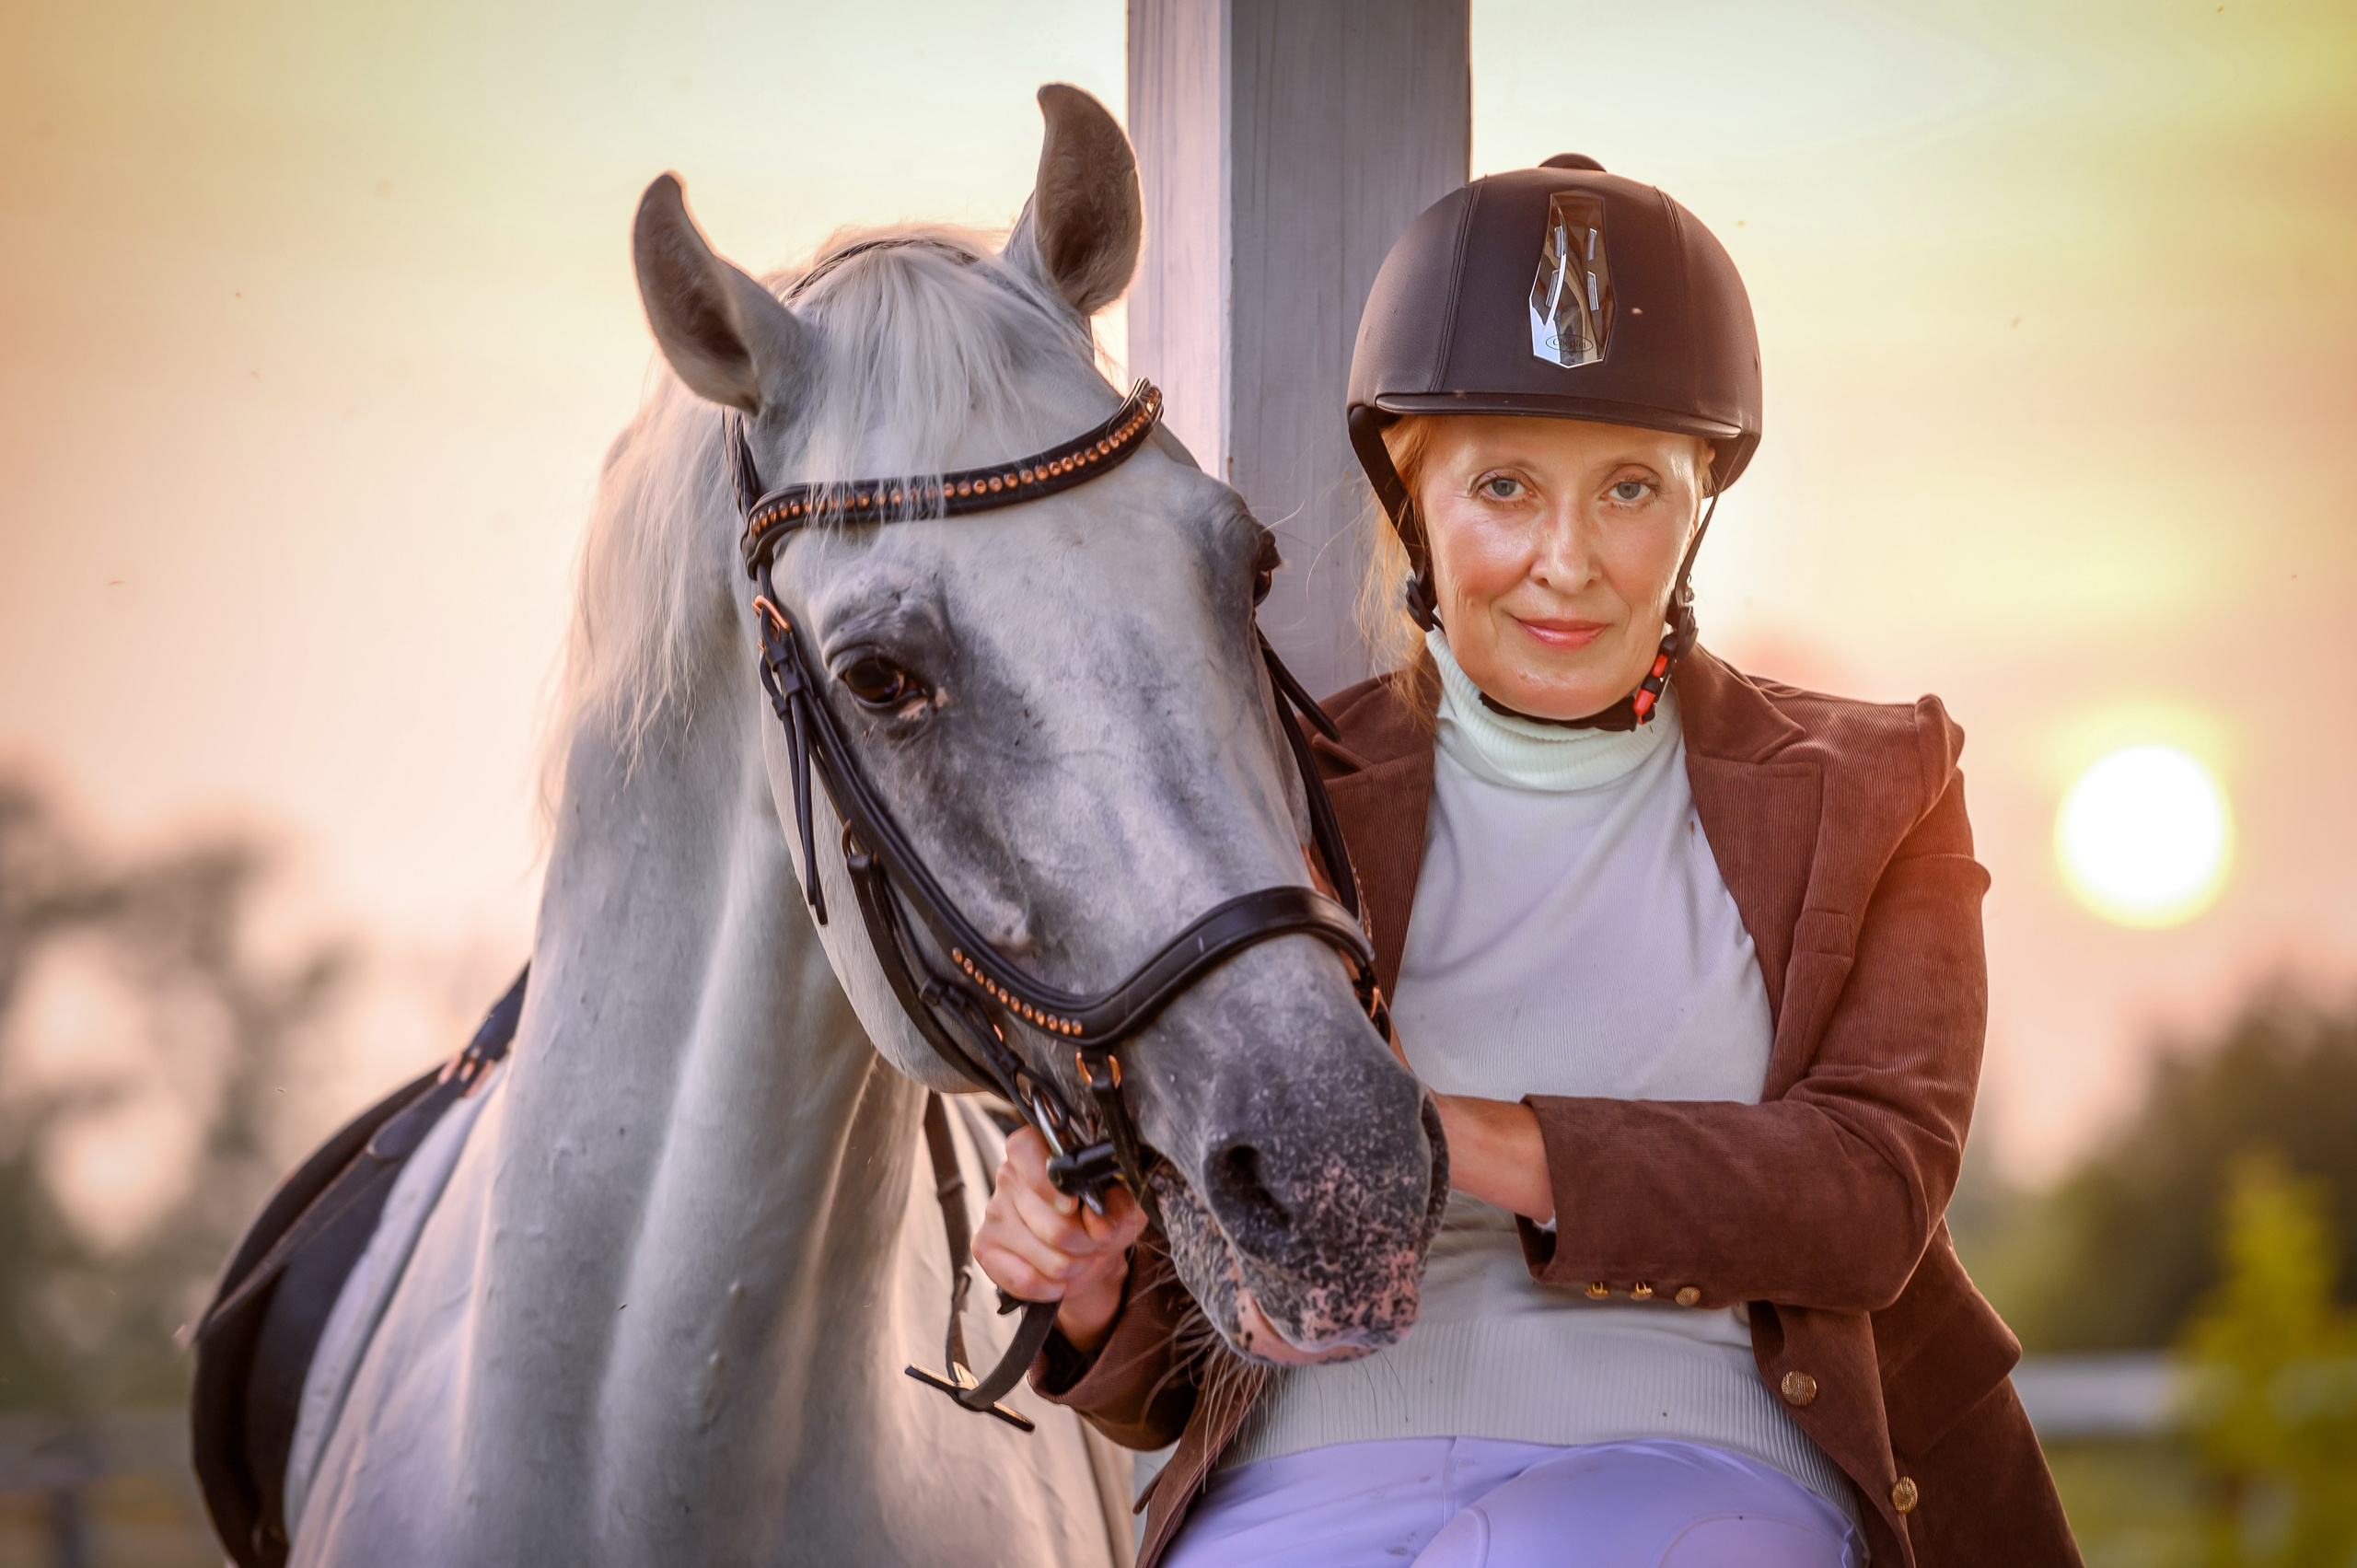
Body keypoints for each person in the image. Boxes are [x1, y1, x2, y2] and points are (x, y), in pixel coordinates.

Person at [972, 156, 2080, 1568]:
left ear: (1701, 500)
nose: (1568, 559)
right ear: (1413, 500)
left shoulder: (1877, 790)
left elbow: (1866, 1197)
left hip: (1692, 1470)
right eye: (1504, 486)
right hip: (1301, 1485)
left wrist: (1437, 1136)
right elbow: (1168, 1365)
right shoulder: (1273, 794)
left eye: (1629, 488)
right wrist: (1085, 1279)